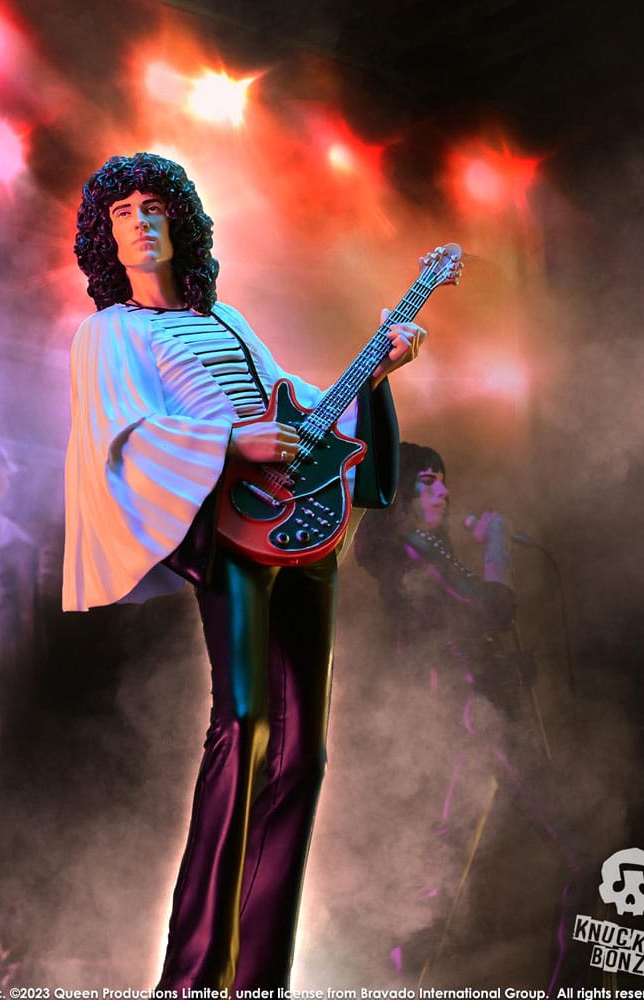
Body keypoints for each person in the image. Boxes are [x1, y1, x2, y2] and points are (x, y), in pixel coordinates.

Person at [62, 152, 426, 989]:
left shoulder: (226, 319)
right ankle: (192, 979)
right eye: (122, 212)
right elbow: (121, 434)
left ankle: (259, 978)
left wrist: (375, 374)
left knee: (305, 755)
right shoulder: (111, 333)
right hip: (226, 528)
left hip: (299, 530)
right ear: (103, 237)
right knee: (244, 728)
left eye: (154, 206)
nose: (141, 221)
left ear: (180, 220)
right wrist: (228, 441)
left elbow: (292, 401)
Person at [353, 442, 579, 987]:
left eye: (444, 480)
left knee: (437, 883)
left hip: (464, 720)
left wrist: (506, 666)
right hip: (474, 719)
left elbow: (463, 630)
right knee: (583, 849)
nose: (445, 492)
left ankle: (393, 977)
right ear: (400, 493)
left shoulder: (423, 550)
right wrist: (498, 544)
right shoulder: (411, 547)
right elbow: (491, 606)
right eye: (429, 481)